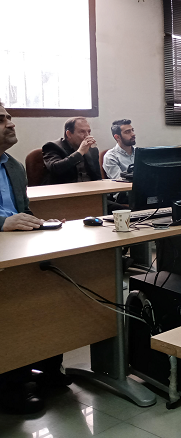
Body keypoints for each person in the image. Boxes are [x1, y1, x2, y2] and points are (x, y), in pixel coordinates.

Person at [0, 104, 70, 414]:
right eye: (1, 119)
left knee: (53, 282)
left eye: (9, 117)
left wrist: (39, 222)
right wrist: (3, 223)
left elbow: (23, 210)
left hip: (16, 246)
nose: (10, 123)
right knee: (16, 303)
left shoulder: (14, 167)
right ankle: (10, 385)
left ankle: (47, 368)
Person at [42, 117, 101, 184]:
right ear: (69, 134)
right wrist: (80, 152)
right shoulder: (52, 146)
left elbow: (97, 178)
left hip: (90, 188)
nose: (87, 136)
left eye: (89, 132)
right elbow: (56, 169)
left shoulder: (93, 150)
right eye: (82, 132)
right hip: (64, 188)